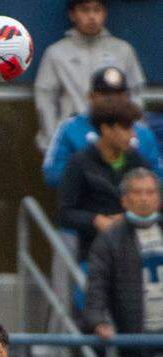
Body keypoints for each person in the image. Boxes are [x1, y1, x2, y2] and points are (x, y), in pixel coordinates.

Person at [83, 168, 163, 357]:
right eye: (137, 192)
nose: (144, 198)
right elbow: (97, 284)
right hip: (135, 342)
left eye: (150, 192)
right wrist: (98, 320)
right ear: (124, 200)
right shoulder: (110, 239)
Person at [34, 1, 145, 151]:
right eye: (85, 10)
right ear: (72, 15)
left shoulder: (122, 50)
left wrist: (132, 136)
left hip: (116, 139)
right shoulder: (56, 53)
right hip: (72, 142)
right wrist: (54, 140)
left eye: (97, 10)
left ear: (104, 13)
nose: (92, 16)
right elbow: (45, 100)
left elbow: (136, 96)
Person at [59, 99, 150, 260]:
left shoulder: (138, 162)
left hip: (135, 256)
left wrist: (129, 218)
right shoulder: (79, 163)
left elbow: (156, 206)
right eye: (126, 128)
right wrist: (95, 220)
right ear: (106, 129)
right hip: (94, 255)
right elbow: (65, 213)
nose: (133, 135)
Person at [43, 66, 160, 189]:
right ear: (91, 97)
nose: (113, 99)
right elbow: (52, 175)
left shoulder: (142, 133)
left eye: (119, 94)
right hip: (86, 203)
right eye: (105, 94)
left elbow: (158, 176)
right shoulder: (69, 128)